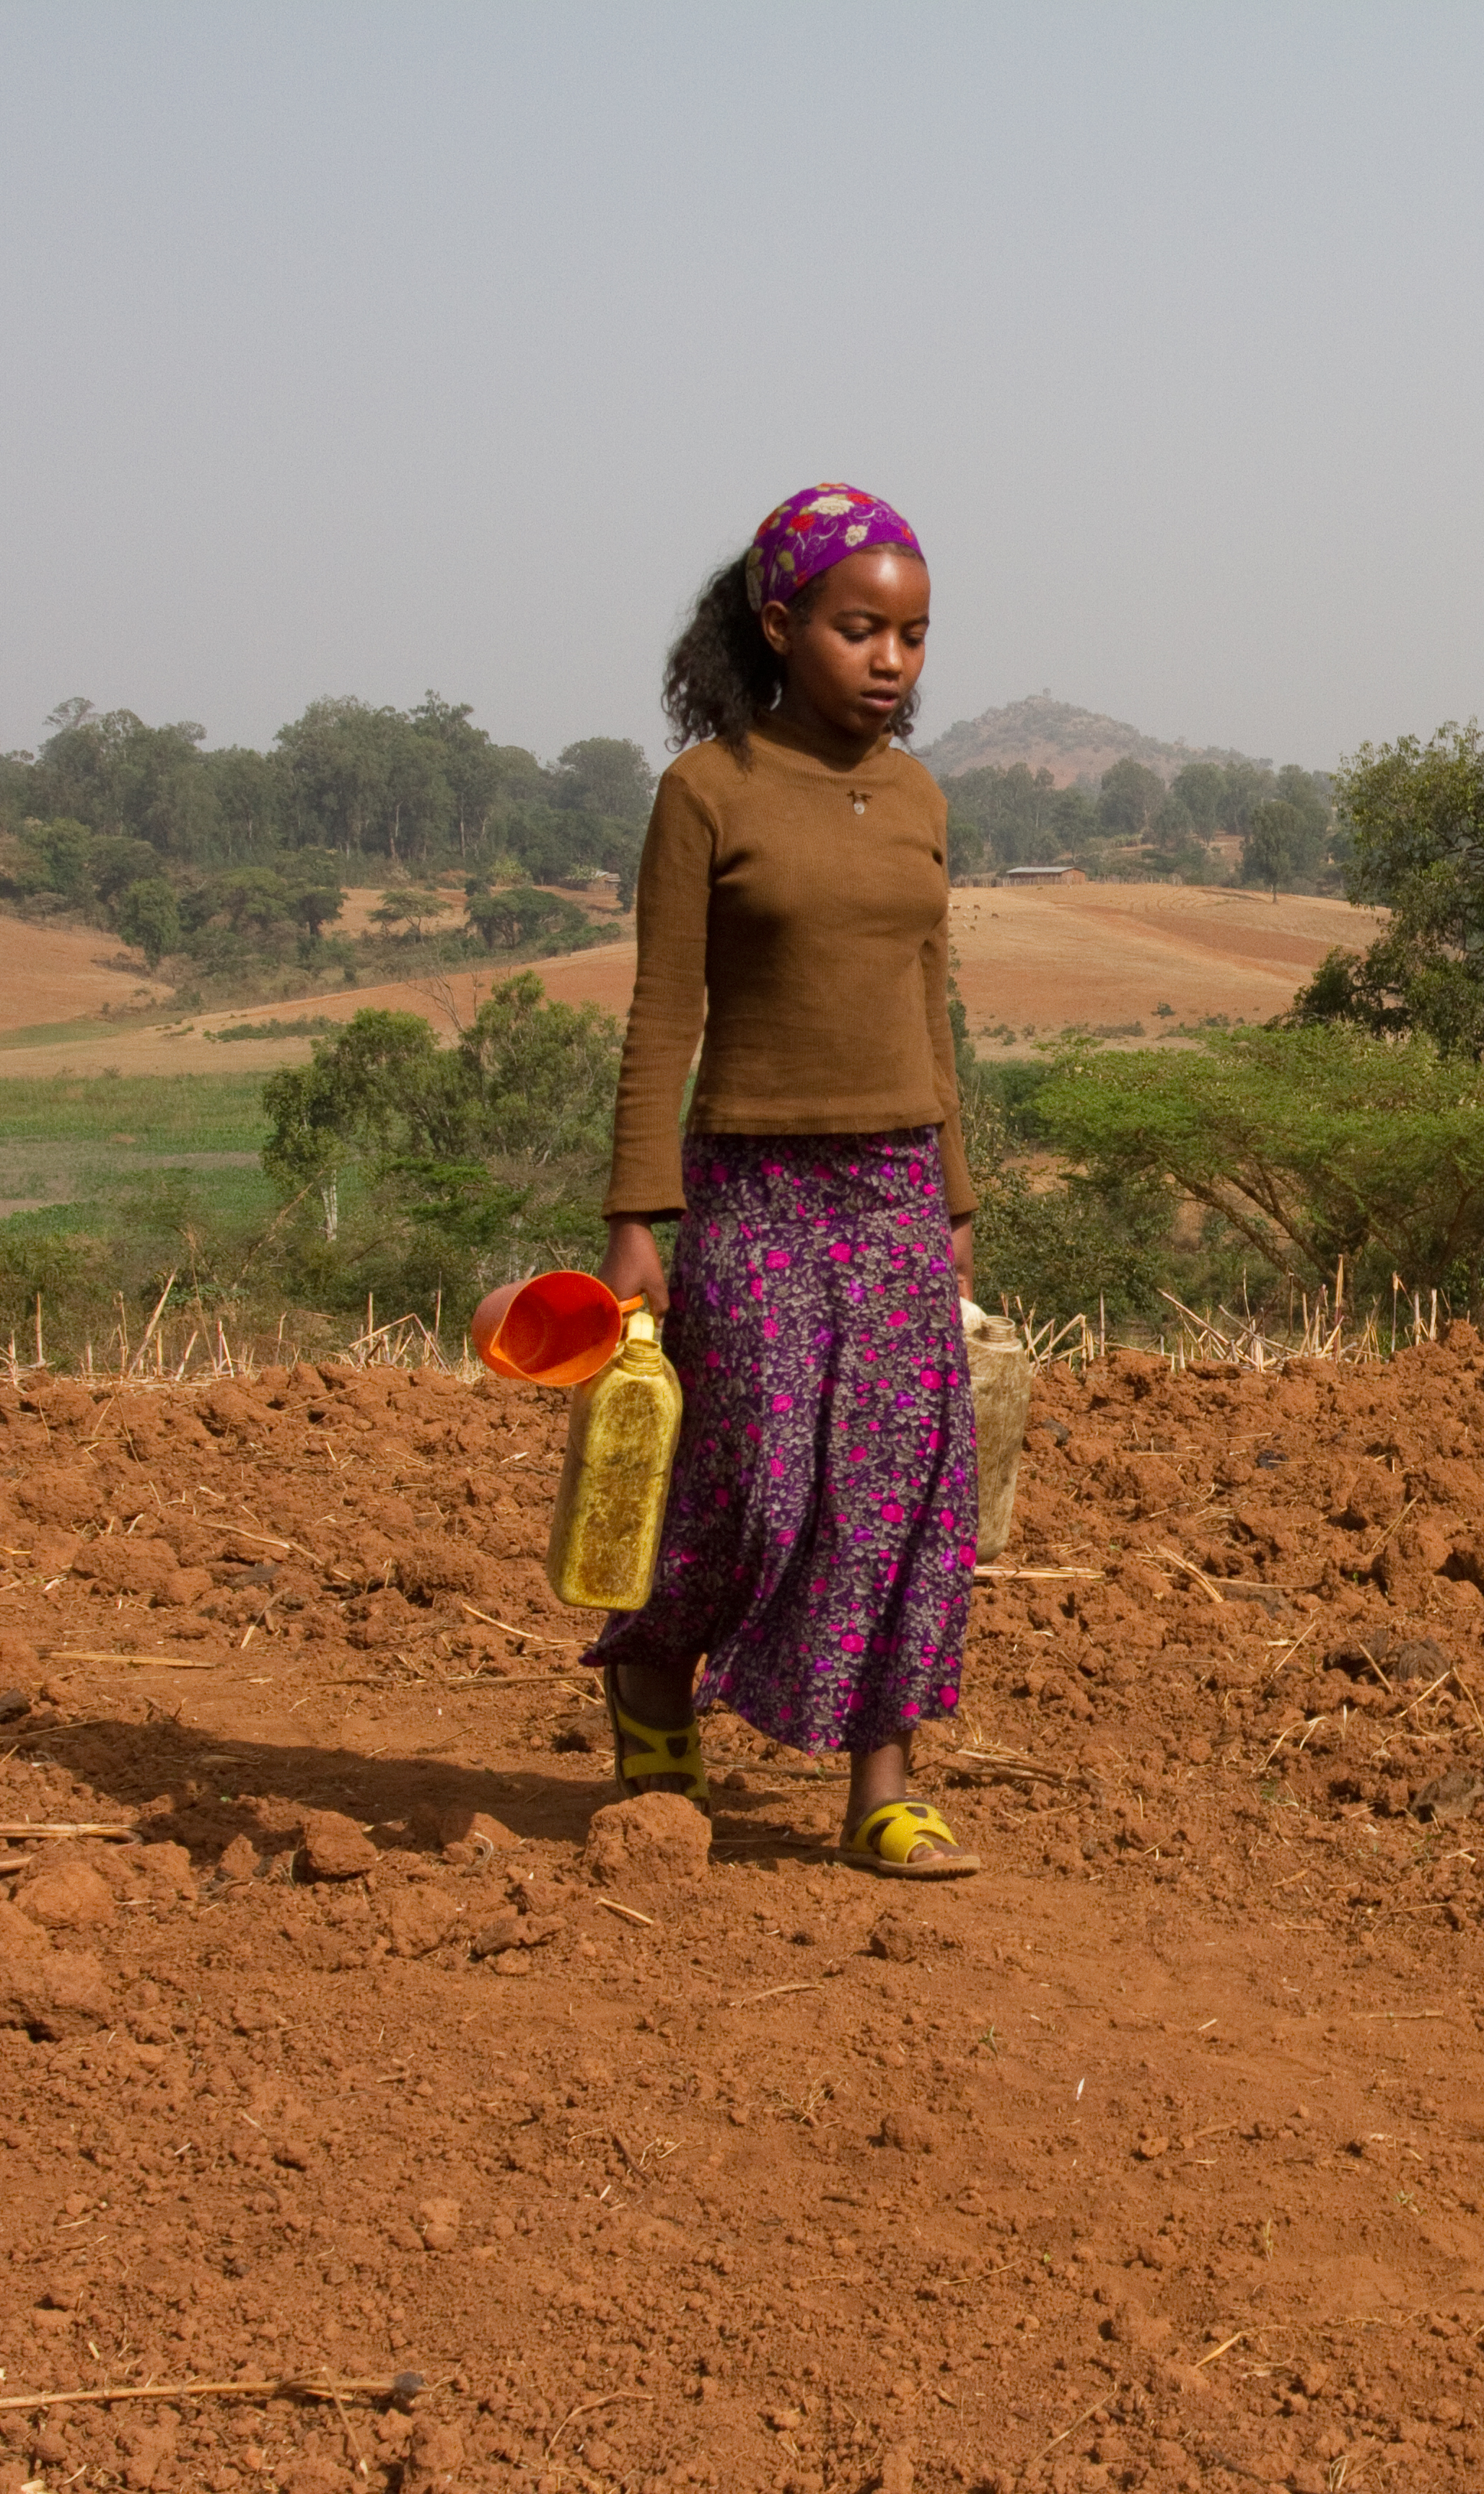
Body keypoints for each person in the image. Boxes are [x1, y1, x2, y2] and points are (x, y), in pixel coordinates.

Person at [589, 482, 983, 1877]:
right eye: (860, 630)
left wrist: (955, 1205)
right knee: (749, 1474)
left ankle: (885, 1779)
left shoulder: (923, 796)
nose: (891, 662)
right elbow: (662, 1013)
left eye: (915, 637)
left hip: (891, 1184)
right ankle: (651, 1669)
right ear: (781, 624)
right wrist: (638, 1218)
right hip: (750, 1180)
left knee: (903, 1485)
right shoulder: (709, 792)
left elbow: (931, 1005)